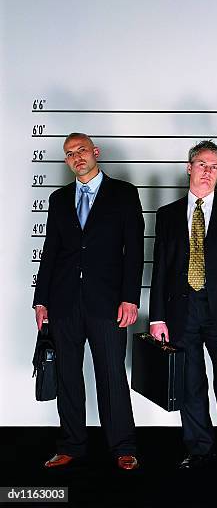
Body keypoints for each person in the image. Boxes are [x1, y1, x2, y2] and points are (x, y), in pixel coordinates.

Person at [33, 132, 144, 470]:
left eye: (81, 150)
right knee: (68, 374)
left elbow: (134, 251)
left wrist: (129, 298)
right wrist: (41, 301)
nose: (76, 157)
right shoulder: (58, 198)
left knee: (111, 373)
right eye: (69, 153)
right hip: (63, 300)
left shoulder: (124, 193)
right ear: (66, 161)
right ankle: (71, 445)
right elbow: (51, 250)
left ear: (95, 152)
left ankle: (123, 447)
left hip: (108, 302)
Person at [148, 140, 217, 483]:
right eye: (202, 164)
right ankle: (198, 450)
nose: (208, 171)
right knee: (191, 384)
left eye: (214, 167)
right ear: (189, 167)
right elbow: (160, 269)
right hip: (182, 311)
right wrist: (157, 316)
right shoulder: (167, 214)